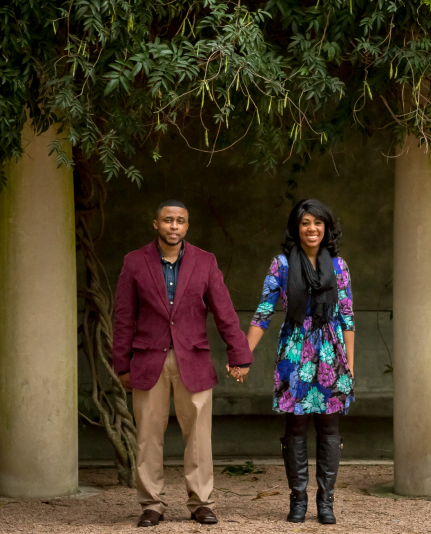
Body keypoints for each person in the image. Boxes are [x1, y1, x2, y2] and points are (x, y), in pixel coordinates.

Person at [112, 200, 254, 527]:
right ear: (156, 224)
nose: (173, 226)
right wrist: (121, 365)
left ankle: (201, 502)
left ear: (186, 226)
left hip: (195, 360)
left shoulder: (205, 262)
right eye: (167, 220)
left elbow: (225, 312)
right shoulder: (134, 263)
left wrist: (239, 355)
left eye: (180, 221)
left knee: (199, 438)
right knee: (148, 436)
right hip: (148, 361)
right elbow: (123, 318)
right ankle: (151, 504)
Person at [236, 198, 355, 525]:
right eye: (305, 223)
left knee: (329, 426)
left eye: (318, 222)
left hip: (331, 354)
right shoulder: (281, 265)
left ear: (326, 227)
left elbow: (347, 317)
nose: (312, 228)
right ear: (296, 228)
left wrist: (351, 366)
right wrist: (243, 354)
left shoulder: (340, 267)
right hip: (294, 352)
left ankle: (326, 502)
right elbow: (263, 313)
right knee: (296, 426)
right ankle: (298, 499)